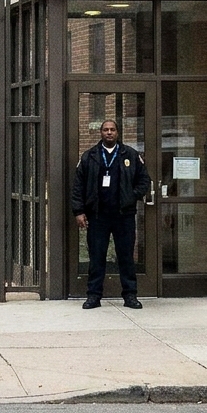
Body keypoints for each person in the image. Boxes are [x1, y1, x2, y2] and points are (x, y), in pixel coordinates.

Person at [71, 119, 151, 309]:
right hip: (97, 216)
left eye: (112, 130)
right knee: (97, 257)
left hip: (123, 215)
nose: (109, 133)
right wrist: (79, 211)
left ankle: (130, 296)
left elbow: (144, 181)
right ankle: (93, 296)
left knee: (126, 257)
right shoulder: (89, 156)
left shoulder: (130, 155)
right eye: (105, 130)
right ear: (101, 133)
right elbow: (78, 187)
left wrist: (131, 197)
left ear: (117, 133)